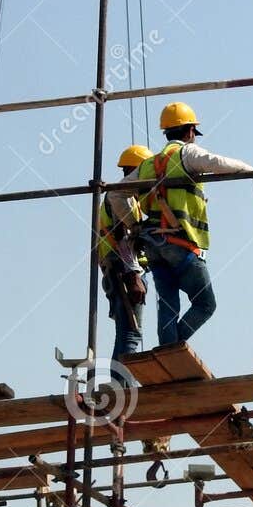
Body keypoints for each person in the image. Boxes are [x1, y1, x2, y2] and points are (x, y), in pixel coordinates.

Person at [135, 101, 253, 347]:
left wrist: (131, 224)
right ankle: (173, 348)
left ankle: (167, 350)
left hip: (153, 245)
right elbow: (216, 162)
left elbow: (114, 194)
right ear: (189, 132)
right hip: (181, 244)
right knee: (205, 304)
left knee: (167, 306)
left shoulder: (146, 165)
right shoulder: (187, 153)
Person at [99, 145, 152, 363]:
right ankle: (121, 389)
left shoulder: (116, 198)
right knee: (131, 333)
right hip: (125, 270)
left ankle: (118, 387)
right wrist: (134, 276)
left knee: (125, 333)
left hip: (115, 269)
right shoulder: (123, 198)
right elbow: (121, 236)